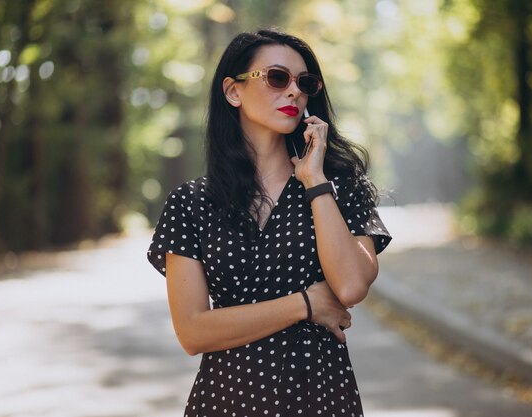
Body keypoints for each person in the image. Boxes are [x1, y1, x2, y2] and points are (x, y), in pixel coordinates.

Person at [147, 28, 392, 417]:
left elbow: (350, 285)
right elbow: (193, 333)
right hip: (224, 402)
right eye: (278, 78)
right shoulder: (191, 204)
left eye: (305, 82)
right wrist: (305, 303)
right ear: (233, 91)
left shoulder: (338, 186)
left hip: (321, 399)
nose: (294, 91)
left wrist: (314, 181)